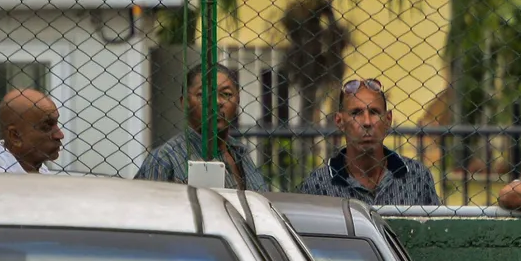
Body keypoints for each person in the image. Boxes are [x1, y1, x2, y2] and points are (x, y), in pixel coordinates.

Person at [296, 78, 440, 205]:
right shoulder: (319, 186)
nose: (367, 122)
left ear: (388, 120)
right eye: (356, 113)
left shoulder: (417, 177)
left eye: (374, 112)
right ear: (339, 121)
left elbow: (434, 232)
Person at [137, 64, 269, 191]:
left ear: (238, 101)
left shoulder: (241, 153)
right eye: (203, 95)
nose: (216, 102)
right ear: (185, 103)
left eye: (226, 94)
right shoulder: (165, 160)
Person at [0, 89, 64, 174]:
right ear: (15, 136)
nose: (60, 135)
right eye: (46, 126)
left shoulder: (38, 168)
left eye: (56, 123)